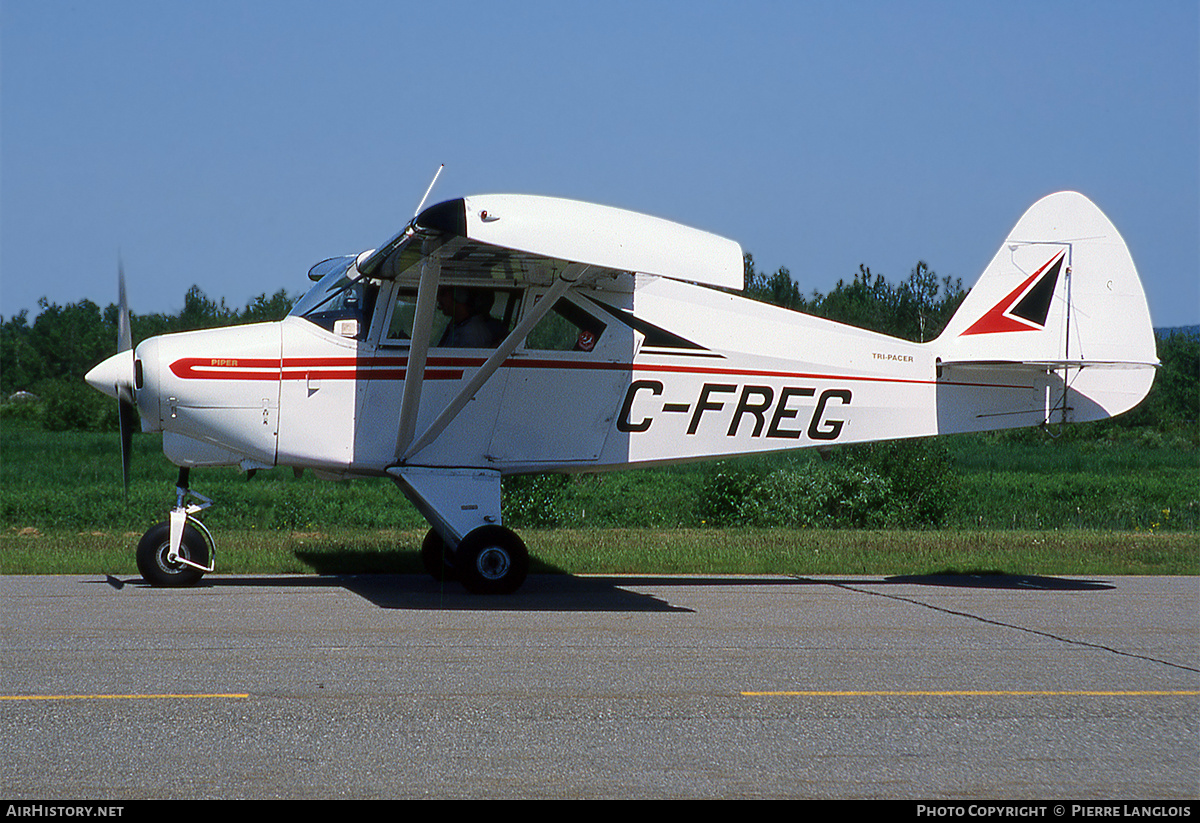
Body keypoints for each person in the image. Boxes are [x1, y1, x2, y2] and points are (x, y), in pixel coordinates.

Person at [436, 287, 505, 347]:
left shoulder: (471, 332)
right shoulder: (456, 325)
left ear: (459, 296)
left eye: (443, 294)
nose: (438, 299)